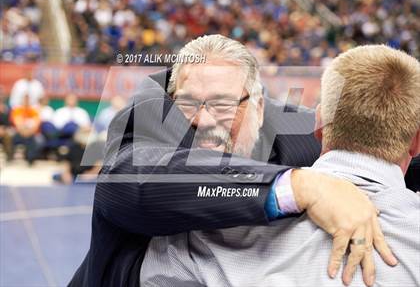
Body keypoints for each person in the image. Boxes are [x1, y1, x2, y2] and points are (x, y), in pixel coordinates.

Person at [70, 35, 414, 287]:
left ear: (259, 108)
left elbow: (380, 140)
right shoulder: (150, 117)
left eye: (224, 106)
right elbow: (135, 182)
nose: (204, 120)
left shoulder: (295, 132)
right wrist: (301, 186)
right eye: (188, 105)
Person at [9, 94, 42, 164]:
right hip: (19, 133)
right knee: (10, 136)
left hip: (31, 134)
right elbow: (18, 124)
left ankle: (30, 159)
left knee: (36, 139)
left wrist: (29, 132)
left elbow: (36, 125)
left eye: (28, 100)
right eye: (24, 100)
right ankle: (10, 157)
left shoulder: (34, 111)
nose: (26, 102)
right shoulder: (17, 110)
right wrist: (24, 131)